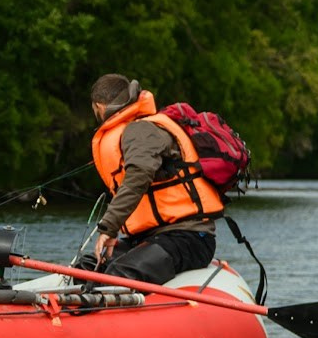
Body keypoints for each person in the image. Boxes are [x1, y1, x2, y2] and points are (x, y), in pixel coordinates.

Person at [85, 73, 224, 284]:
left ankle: (98, 310)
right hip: (151, 238)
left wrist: (108, 228)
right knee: (86, 267)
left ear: (100, 107)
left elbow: (138, 177)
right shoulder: (134, 129)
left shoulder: (142, 130)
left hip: (189, 238)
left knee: (118, 273)